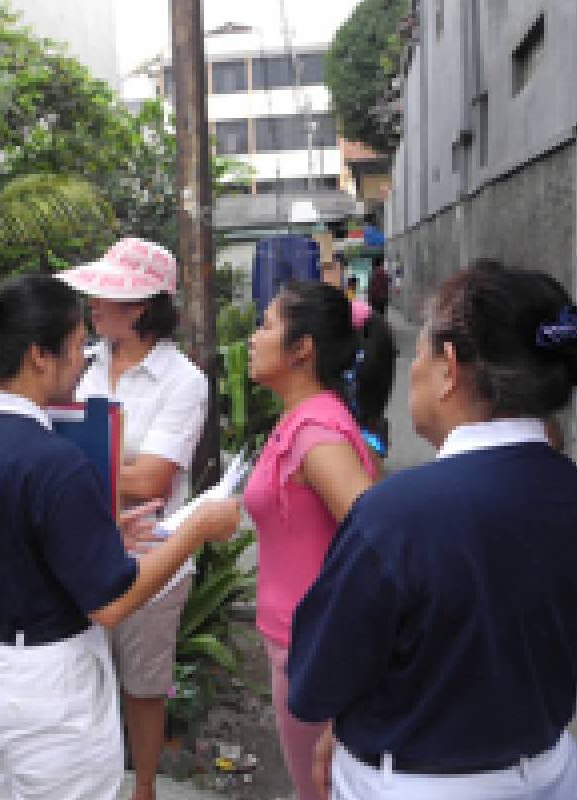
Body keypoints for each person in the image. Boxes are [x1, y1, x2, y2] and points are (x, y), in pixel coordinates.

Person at [289, 263, 577, 800]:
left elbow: (316, 680)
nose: (413, 368)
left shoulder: (395, 517)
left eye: (419, 352)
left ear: (448, 367)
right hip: (554, 771)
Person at [0, 273, 242, 800]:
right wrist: (195, 527)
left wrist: (93, 535)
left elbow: (9, 542)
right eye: (80, 346)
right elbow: (111, 602)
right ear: (40, 355)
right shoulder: (56, 462)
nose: (85, 361)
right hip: (44, 694)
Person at [56, 237, 208, 800]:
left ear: (142, 306)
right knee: (78, 677)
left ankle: (142, 789)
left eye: (106, 295)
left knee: (143, 686)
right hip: (83, 548)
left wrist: (68, 469)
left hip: (152, 558)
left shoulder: (182, 381)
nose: (92, 304)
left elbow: (153, 483)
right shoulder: (83, 367)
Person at [240, 281, 396, 800]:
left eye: (265, 325)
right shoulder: (304, 421)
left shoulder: (317, 434)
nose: (252, 338)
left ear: (301, 348)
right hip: (300, 645)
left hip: (314, 652)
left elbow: (380, 545)